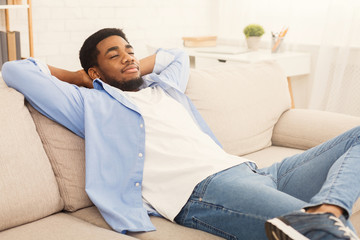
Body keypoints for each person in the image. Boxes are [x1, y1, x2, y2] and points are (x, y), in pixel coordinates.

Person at [2, 28, 360, 240]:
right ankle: (322, 217)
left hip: (258, 171)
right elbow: (16, 70)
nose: (129, 58)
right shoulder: (90, 104)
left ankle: (330, 206)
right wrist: (82, 77)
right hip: (203, 191)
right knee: (317, 233)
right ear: (95, 72)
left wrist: (129, 65)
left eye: (130, 51)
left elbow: (175, 55)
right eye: (115, 56)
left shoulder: (163, 87)